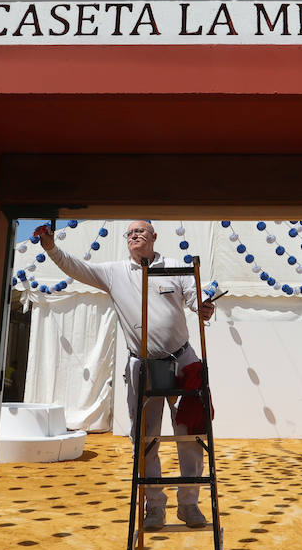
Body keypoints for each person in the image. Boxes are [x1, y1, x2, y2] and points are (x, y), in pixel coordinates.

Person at [34, 220, 216, 530]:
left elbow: (194, 299)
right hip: (142, 365)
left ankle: (189, 503)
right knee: (146, 438)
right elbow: (75, 267)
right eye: (130, 233)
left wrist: (203, 308)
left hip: (183, 361)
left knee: (191, 433)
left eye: (140, 232)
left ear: (154, 237)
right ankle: (155, 508)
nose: (134, 236)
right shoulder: (113, 272)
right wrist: (51, 248)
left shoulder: (176, 266)